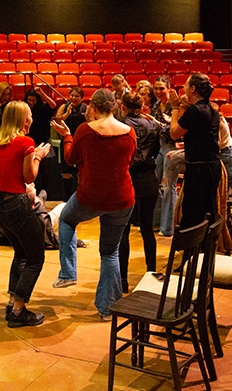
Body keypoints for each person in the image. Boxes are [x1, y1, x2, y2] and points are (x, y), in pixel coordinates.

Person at [50, 88, 136, 319]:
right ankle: (107, 309)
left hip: (90, 197)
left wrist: (67, 136)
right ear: (114, 106)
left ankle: (68, 273)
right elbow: (128, 159)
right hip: (122, 199)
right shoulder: (130, 132)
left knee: (67, 220)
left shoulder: (84, 130)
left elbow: (70, 158)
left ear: (93, 107)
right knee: (110, 252)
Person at [0, 101, 52, 328]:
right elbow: (29, 178)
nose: (32, 119)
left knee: (20, 254)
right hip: (17, 204)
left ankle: (11, 303)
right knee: (36, 258)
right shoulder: (26, 142)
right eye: (30, 115)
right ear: (22, 119)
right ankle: (18, 311)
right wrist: (37, 156)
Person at [117, 90, 165, 292]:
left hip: (129, 178)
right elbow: (156, 149)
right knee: (147, 229)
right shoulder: (153, 124)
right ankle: (151, 274)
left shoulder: (121, 126)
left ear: (124, 107)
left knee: (124, 231)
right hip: (149, 178)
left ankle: (124, 281)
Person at [169, 73, 222, 230]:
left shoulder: (194, 110)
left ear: (192, 89)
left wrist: (174, 108)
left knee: (193, 214)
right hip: (213, 166)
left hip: (199, 170)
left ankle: (192, 251)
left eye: (185, 85)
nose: (183, 88)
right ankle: (206, 250)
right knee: (209, 210)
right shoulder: (213, 109)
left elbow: (174, 133)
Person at [150, 75, 178, 234]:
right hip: (159, 148)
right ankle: (156, 222)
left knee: (168, 187)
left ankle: (168, 227)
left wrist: (156, 123)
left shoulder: (175, 107)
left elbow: (176, 133)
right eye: (156, 88)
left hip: (173, 148)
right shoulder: (155, 106)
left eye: (162, 88)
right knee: (153, 184)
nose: (158, 91)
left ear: (169, 89)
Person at [24, 86, 56, 199]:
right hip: (29, 144)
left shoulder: (43, 108)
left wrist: (42, 93)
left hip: (44, 143)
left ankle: (43, 194)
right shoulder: (25, 109)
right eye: (29, 100)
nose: (31, 103)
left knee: (45, 172)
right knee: (30, 172)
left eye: (34, 100)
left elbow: (53, 105)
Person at [54, 86, 87, 198]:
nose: (74, 98)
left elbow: (91, 121)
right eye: (72, 95)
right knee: (66, 171)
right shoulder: (64, 107)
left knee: (80, 171)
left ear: (82, 98)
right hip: (67, 141)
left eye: (77, 96)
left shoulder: (86, 108)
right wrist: (67, 114)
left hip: (81, 142)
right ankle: (66, 198)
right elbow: (57, 121)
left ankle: (80, 197)